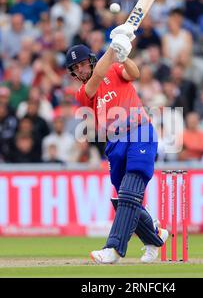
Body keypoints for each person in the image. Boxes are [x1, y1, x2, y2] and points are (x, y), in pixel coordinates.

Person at [70, 22, 167, 264]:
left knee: (129, 189)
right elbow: (97, 78)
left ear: (91, 60)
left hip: (139, 132)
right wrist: (113, 48)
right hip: (114, 143)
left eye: (83, 63)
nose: (81, 70)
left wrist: (124, 56)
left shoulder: (114, 69)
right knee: (123, 198)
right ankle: (155, 236)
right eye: (76, 68)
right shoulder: (83, 92)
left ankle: (113, 249)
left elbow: (133, 74)